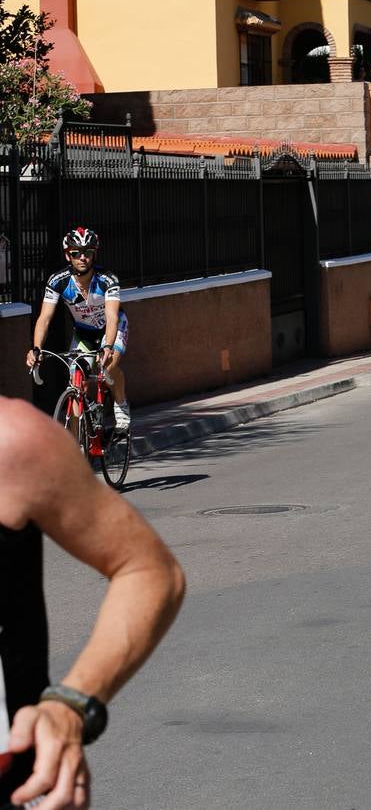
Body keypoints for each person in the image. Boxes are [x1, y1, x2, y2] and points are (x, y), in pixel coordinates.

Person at [1, 397, 184, 809]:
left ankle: (115, 411)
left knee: (103, 373)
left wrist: (71, 704)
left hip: (15, 785)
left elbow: (148, 569)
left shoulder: (12, 441)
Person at [28, 228, 132, 431]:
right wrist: (37, 348)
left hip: (112, 328)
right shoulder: (58, 281)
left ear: (95, 254)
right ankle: (78, 441)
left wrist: (108, 346)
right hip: (84, 334)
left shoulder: (107, 279)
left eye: (88, 252)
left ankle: (121, 403)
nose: (82, 258)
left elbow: (112, 317)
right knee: (76, 383)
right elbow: (45, 318)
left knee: (108, 365)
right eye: (76, 253)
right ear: (68, 255)